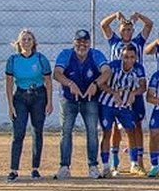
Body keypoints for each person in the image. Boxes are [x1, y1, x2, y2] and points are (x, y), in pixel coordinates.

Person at [53, 29, 111, 180]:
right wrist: (70, 83)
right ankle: (64, 166)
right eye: (79, 42)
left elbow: (106, 72)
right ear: (74, 42)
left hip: (90, 99)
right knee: (66, 131)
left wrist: (95, 84)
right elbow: (57, 73)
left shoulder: (96, 54)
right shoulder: (66, 54)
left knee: (92, 131)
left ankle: (93, 166)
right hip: (69, 99)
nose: (82, 45)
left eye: (85, 42)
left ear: (89, 43)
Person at [100, 10, 153, 173]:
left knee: (135, 126)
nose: (127, 32)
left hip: (133, 89)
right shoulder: (114, 41)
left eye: (130, 29)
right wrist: (115, 15)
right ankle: (114, 161)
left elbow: (149, 24)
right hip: (114, 90)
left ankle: (138, 161)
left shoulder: (138, 42)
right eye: (124, 29)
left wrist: (138, 16)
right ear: (119, 30)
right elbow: (103, 25)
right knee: (114, 128)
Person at [4, 29, 53, 182]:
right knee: (18, 132)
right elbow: (9, 83)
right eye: (23, 39)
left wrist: (49, 102)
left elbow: (48, 81)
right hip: (20, 97)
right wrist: (10, 105)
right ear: (19, 43)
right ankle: (13, 169)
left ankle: (35, 168)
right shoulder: (12, 60)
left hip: (38, 96)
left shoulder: (40, 59)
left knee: (37, 132)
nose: (26, 42)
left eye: (29, 39)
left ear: (34, 42)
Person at [97, 44, 147, 178]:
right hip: (107, 103)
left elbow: (143, 87)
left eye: (131, 57)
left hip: (125, 105)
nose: (128, 60)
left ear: (136, 57)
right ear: (121, 56)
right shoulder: (112, 66)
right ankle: (107, 166)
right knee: (107, 132)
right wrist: (113, 92)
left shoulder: (139, 69)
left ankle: (134, 164)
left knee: (131, 131)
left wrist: (134, 93)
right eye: (126, 57)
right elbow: (101, 83)